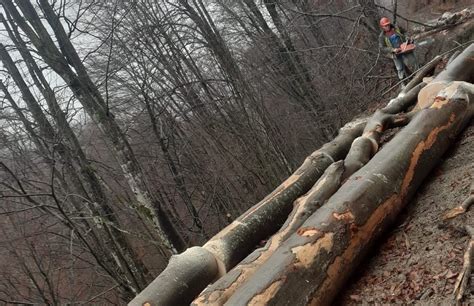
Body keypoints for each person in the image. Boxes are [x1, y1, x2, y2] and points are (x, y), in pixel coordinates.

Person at [378, 17, 418, 86]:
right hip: (395, 53)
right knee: (399, 68)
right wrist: (392, 50)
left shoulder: (396, 28)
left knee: (413, 61)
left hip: (404, 48)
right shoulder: (382, 36)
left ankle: (419, 74)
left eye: (388, 24)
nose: (387, 26)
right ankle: (404, 83)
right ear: (382, 27)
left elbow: (405, 32)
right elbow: (382, 48)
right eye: (385, 26)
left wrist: (407, 38)